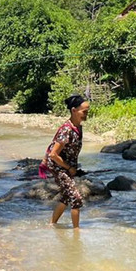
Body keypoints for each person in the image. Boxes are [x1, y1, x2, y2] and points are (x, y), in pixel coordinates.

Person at [40, 94, 90, 228]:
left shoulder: (78, 127)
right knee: (76, 198)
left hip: (67, 165)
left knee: (66, 197)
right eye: (84, 111)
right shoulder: (66, 130)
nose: (86, 114)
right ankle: (76, 232)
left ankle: (52, 224)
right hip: (58, 166)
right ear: (74, 110)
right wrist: (69, 168)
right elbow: (53, 154)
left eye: (87, 111)